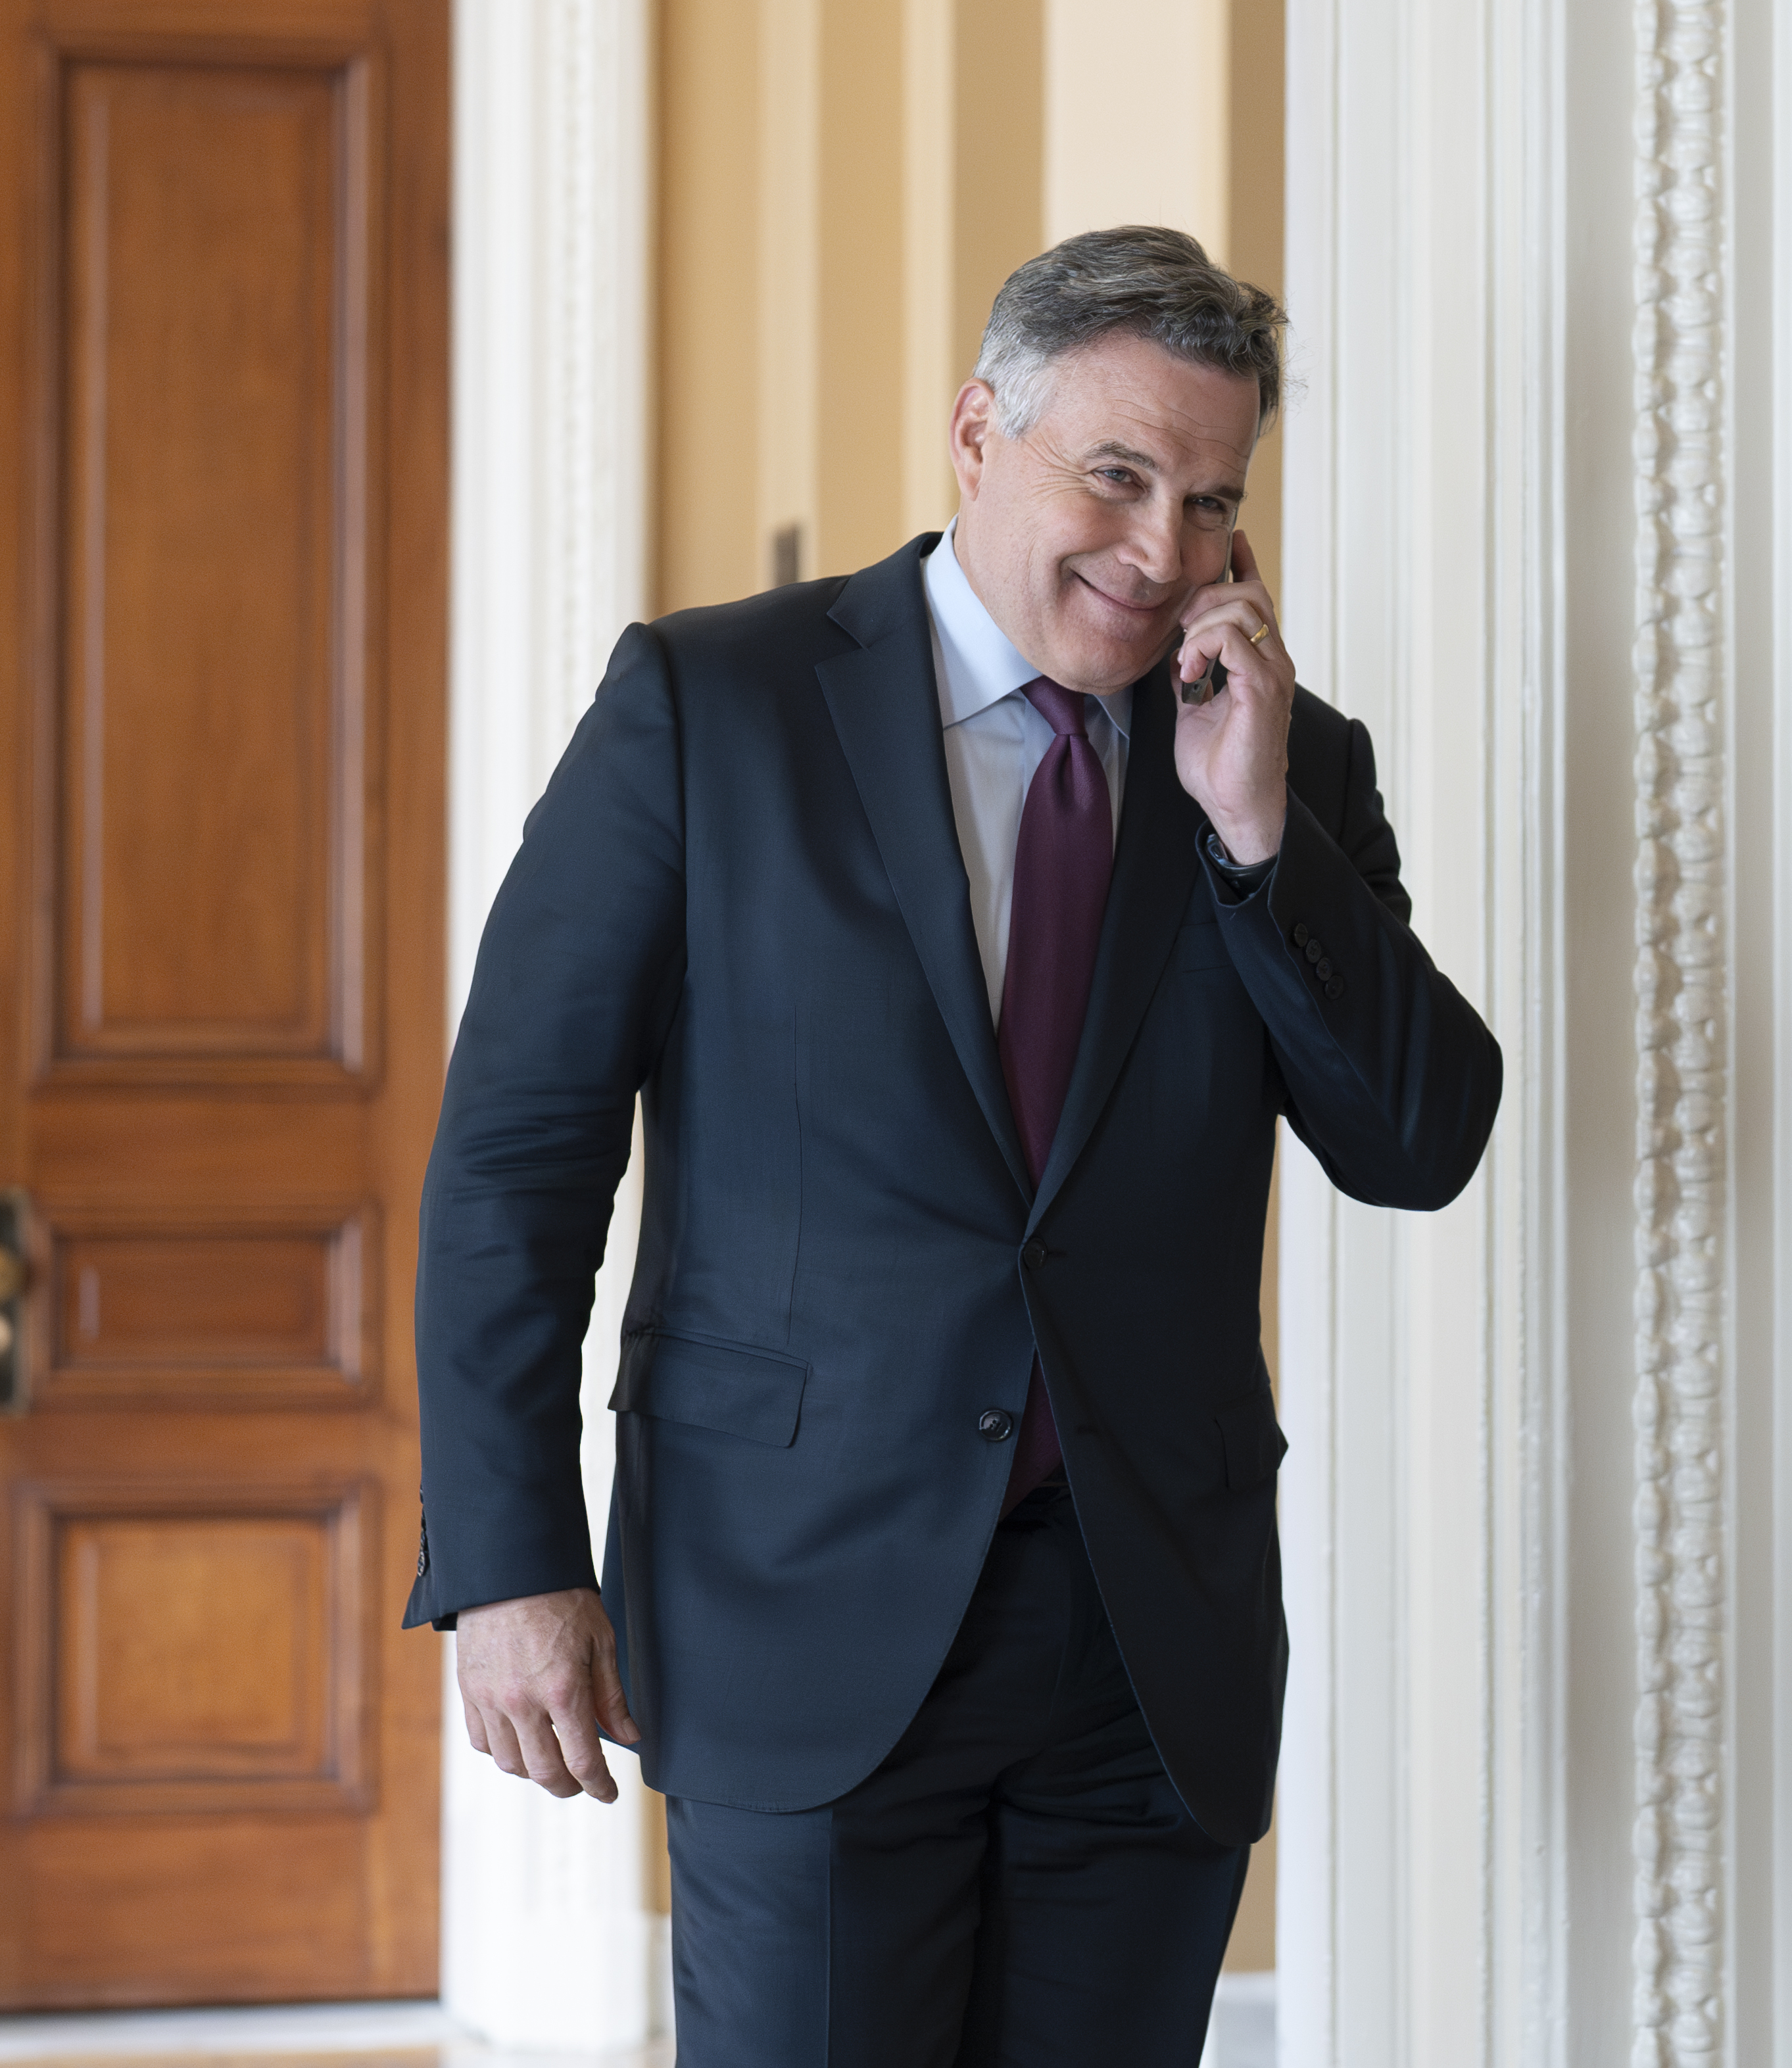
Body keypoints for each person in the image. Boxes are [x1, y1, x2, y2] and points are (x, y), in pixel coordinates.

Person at [404, 226, 1501, 2066]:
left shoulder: (1284, 766)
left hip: (1144, 1643)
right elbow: (517, 1152)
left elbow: (1417, 1138)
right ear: (979, 428)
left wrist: (1252, 846)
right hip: (795, 1605)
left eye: (1214, 502)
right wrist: (514, 1558)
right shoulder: (710, 709)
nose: (1165, 553)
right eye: (1121, 475)